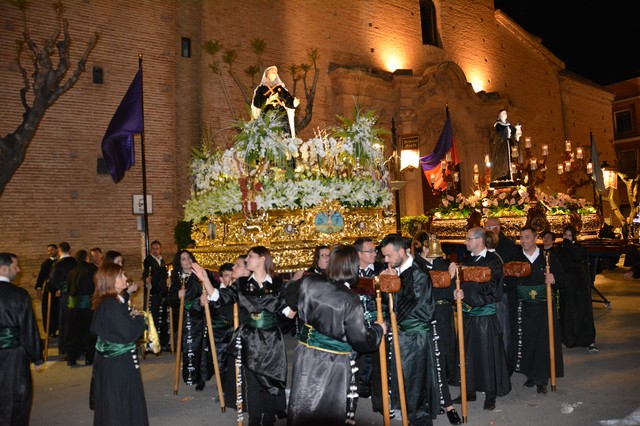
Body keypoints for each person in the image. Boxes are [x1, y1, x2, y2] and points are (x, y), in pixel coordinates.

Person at [284, 244, 387, 425]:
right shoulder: (349, 298)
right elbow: (360, 340)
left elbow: (289, 296)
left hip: (305, 354)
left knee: (303, 401)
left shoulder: (309, 282)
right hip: (332, 362)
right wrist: (379, 330)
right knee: (328, 407)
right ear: (352, 267)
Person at [204, 246, 293, 426]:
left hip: (272, 341)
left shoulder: (278, 284)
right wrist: (205, 279)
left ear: (262, 259)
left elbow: (289, 314)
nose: (247, 260)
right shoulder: (242, 284)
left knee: (270, 384)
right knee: (252, 384)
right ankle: (253, 420)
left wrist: (299, 297)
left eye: (251, 256)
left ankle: (269, 420)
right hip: (249, 339)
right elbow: (218, 297)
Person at [379, 234, 439, 425]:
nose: (386, 260)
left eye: (389, 256)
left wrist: (392, 286)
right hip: (402, 335)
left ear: (402, 251)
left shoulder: (417, 273)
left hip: (415, 338)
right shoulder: (398, 271)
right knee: (404, 380)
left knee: (416, 383)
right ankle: (408, 414)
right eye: (384, 257)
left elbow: (417, 309)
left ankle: (419, 419)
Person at [450, 227, 511, 411]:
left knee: (486, 356)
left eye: (468, 239)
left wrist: (466, 293)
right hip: (467, 315)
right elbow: (461, 284)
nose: (465, 242)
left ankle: (490, 394)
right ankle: (469, 391)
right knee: (467, 354)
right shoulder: (467, 260)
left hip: (484, 316)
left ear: (480, 240)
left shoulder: (493, 261)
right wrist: (455, 288)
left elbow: (494, 291)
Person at [411, 231, 462, 425]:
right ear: (423, 247)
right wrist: (447, 278)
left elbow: (447, 292)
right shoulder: (416, 266)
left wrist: (455, 292)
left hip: (445, 316)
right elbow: (424, 293)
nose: (437, 250)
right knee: (436, 358)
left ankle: (438, 399)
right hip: (428, 317)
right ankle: (448, 405)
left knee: (446, 355)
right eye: (432, 246)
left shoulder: (441, 262)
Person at [89, 262, 149, 426]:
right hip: (118, 364)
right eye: (121, 275)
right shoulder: (110, 304)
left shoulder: (110, 301)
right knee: (119, 402)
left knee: (119, 401)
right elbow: (128, 334)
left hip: (113, 362)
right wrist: (139, 319)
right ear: (111, 280)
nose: (126, 277)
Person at [510, 226, 565, 394]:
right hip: (523, 307)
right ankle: (531, 374)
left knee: (543, 341)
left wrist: (554, 278)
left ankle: (542, 378)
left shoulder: (548, 258)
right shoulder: (516, 258)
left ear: (535, 238)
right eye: (521, 238)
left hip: (543, 307)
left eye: (527, 237)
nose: (523, 241)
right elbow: (508, 281)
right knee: (527, 340)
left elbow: (564, 278)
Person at [0, 252, 44, 426]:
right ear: (4, 268)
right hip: (14, 356)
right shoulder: (19, 295)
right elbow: (28, 328)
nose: (18, 270)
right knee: (15, 397)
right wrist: (37, 356)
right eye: (15, 266)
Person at [166, 249, 215, 391]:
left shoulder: (200, 275)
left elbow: (211, 291)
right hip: (185, 319)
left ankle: (202, 378)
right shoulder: (177, 279)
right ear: (179, 263)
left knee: (203, 348)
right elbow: (170, 300)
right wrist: (177, 295)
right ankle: (190, 375)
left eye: (189, 258)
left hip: (201, 317)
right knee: (188, 348)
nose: (187, 261)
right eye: (183, 259)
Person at [484, 217, 519, 373]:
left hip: (504, 295)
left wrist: (502, 287)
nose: (485, 232)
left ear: (496, 229)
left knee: (504, 331)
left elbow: (512, 272)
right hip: (491, 296)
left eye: (487, 229)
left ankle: (505, 366)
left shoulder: (508, 247)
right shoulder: (487, 248)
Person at [555, 225, 598, 352]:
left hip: (579, 283)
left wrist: (568, 245)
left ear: (574, 237)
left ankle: (588, 340)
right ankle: (568, 339)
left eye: (569, 236)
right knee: (568, 311)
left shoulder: (579, 248)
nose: (567, 238)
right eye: (565, 235)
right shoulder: (559, 249)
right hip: (567, 283)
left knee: (583, 310)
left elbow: (578, 256)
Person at [352, 237, 385, 402]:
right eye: (370, 251)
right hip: (356, 322)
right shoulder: (349, 272)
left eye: (375, 250)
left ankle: (377, 393)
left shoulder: (382, 270)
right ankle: (359, 386)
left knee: (378, 359)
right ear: (359, 254)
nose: (374, 254)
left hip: (377, 321)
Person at [65, 249, 98, 366]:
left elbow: (67, 287)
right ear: (87, 258)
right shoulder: (92, 269)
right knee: (89, 332)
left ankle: (71, 358)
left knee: (73, 332)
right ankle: (89, 358)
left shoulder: (71, 271)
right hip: (88, 305)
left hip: (73, 305)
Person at [251, 65, 300, 138]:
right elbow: (257, 103)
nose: (274, 73)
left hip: (280, 114)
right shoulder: (261, 89)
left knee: (284, 134)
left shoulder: (280, 88)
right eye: (272, 72)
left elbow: (288, 99)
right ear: (267, 74)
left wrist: (294, 102)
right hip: (267, 114)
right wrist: (269, 100)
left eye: (275, 72)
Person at [48, 241, 77, 358]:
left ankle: (65, 349)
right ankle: (77, 348)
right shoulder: (75, 262)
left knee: (64, 322)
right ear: (69, 250)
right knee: (75, 321)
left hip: (64, 297)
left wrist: (54, 290)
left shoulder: (57, 264)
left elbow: (52, 281)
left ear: (59, 251)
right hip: (76, 296)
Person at [142, 240, 170, 351]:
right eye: (153, 248)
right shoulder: (148, 260)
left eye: (157, 248)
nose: (155, 250)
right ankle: (152, 342)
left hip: (162, 292)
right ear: (151, 249)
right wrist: (146, 280)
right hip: (153, 293)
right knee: (152, 317)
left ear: (160, 249)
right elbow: (146, 273)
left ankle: (162, 341)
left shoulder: (162, 260)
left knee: (162, 317)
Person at [490, 109, 521, 183]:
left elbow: (514, 133)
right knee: (503, 160)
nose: (505, 114)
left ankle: (513, 174)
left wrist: (518, 130)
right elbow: (499, 134)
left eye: (506, 113)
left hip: (509, 144)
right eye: (503, 113)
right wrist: (506, 133)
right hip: (502, 146)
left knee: (512, 158)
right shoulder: (498, 125)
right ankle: (503, 174)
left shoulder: (509, 125)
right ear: (499, 116)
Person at [35, 243, 59, 338]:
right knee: (49, 310)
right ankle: (50, 331)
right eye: (48, 250)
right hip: (49, 290)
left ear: (57, 250)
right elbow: (41, 277)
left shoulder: (62, 262)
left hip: (60, 290)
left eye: (52, 250)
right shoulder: (46, 264)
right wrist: (39, 287)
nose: (50, 252)